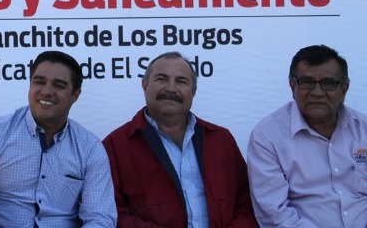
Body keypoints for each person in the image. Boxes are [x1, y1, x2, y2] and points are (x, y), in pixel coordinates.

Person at [0, 50, 117, 228]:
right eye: (39, 82)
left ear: (75, 95)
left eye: (59, 85)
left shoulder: (90, 148)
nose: (47, 91)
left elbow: (101, 218)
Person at [102, 51, 257, 227]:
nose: (171, 88)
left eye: (181, 81)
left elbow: (246, 202)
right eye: (161, 79)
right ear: (144, 85)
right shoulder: (115, 146)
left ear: (193, 91)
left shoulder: (221, 140)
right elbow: (110, 213)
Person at [247, 44, 367, 227]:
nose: (317, 92)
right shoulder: (267, 136)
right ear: (292, 86)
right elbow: (274, 214)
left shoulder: (366, 130)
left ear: (344, 89)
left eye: (328, 83)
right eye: (307, 82)